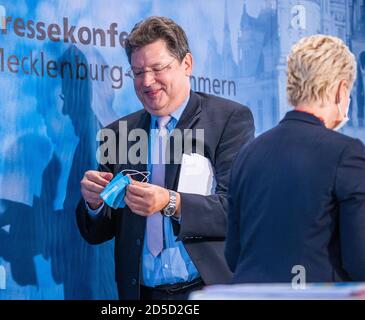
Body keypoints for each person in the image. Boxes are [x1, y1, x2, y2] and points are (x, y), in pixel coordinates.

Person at [76, 16, 255, 300]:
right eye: (137, 72)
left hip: (208, 289)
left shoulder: (228, 120)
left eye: (158, 68)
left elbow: (237, 210)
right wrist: (95, 203)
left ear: (187, 64)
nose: (147, 82)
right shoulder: (118, 133)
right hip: (141, 294)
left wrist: (171, 202)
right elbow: (97, 232)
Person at [225, 34, 365, 284]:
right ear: (341, 90)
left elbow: (234, 256)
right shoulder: (347, 153)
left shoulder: (248, 153)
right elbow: (359, 260)